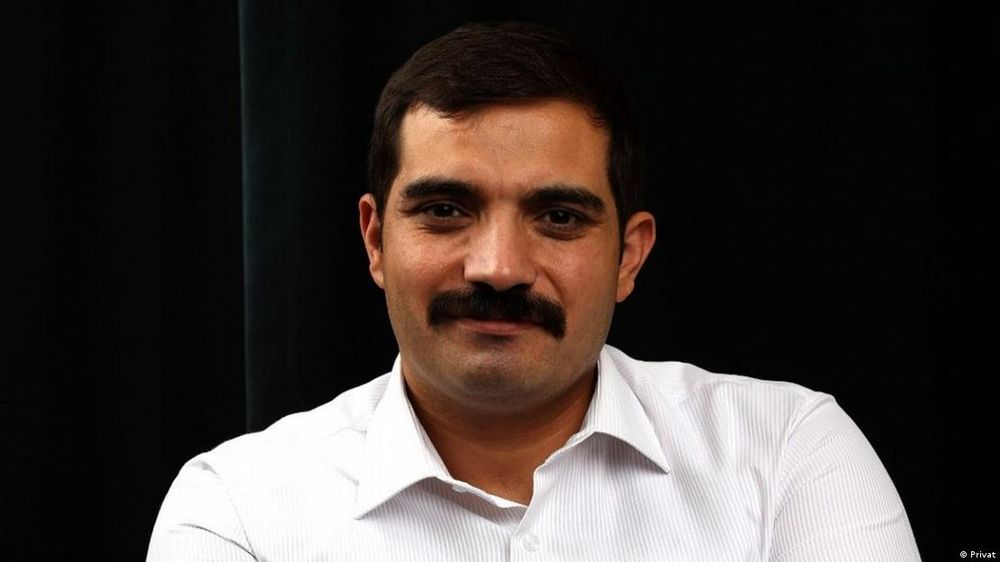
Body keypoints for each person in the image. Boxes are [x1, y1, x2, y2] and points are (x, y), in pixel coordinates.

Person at [147, 21, 920, 561]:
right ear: (376, 239)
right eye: (445, 210)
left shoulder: (787, 455)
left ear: (629, 256)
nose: (498, 268)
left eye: (558, 217)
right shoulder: (236, 510)